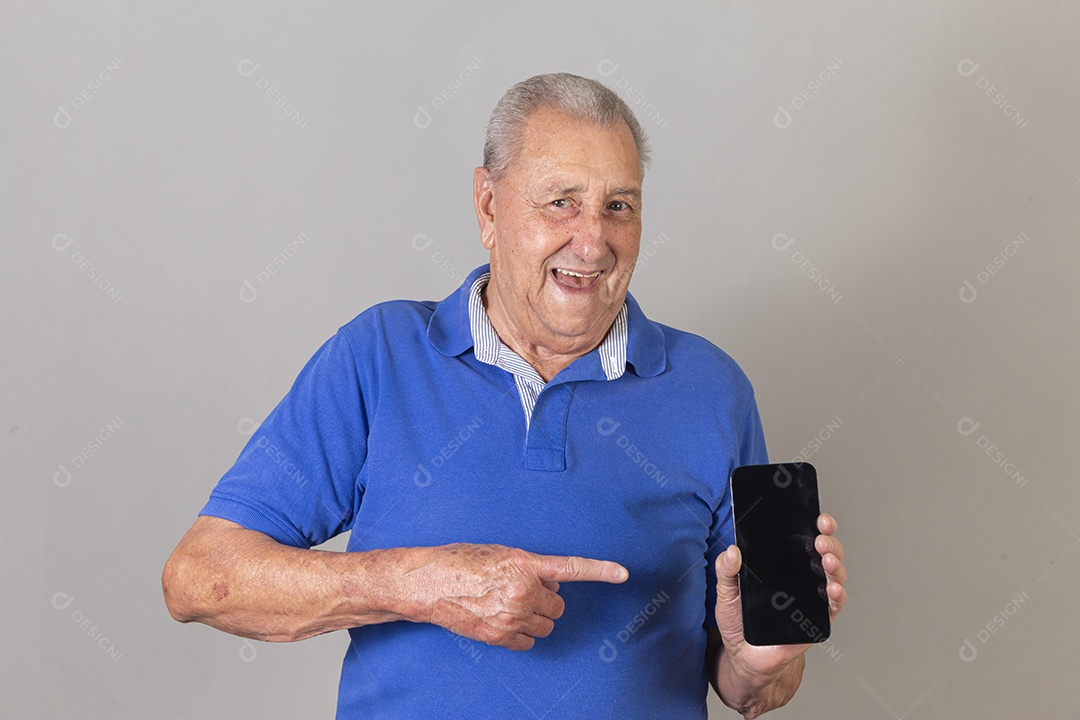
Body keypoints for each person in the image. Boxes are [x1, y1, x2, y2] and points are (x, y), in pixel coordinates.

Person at [162, 72, 848, 719]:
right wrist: (420, 585)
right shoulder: (378, 356)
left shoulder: (712, 388)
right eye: (561, 203)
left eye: (619, 207)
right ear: (489, 206)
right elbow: (198, 579)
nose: (594, 241)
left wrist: (758, 664)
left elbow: (754, 686)